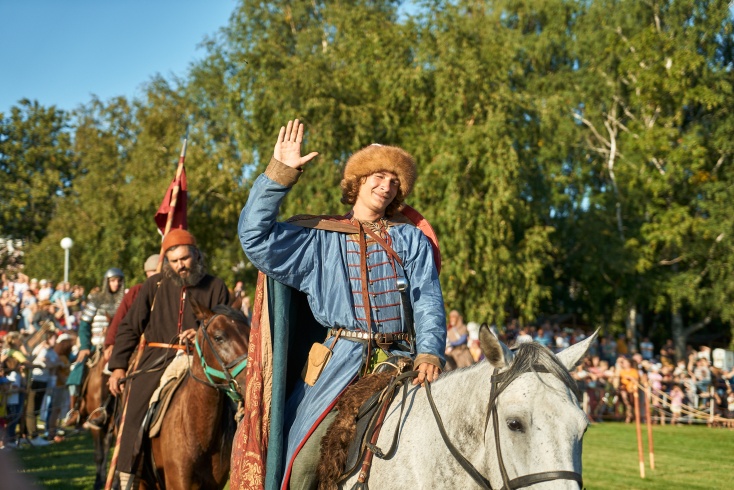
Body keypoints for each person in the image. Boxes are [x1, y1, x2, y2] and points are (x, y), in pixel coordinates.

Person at [237, 119, 446, 489]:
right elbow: (255, 238)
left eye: (395, 181)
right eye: (378, 176)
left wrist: (429, 352)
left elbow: (426, 297)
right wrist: (280, 173)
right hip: (337, 364)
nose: (386, 186)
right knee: (301, 465)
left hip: (401, 359)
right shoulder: (318, 239)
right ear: (358, 181)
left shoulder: (410, 240)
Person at [107, 229, 229, 488]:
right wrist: (118, 367)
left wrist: (198, 333)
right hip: (157, 360)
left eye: (184, 259)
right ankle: (128, 474)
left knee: (232, 410)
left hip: (201, 360)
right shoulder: (154, 285)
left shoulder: (215, 286)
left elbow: (224, 328)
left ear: (196, 255)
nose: (180, 265)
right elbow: (130, 326)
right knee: (135, 408)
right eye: (174, 261)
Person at [65, 268, 125, 420]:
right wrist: (84, 347)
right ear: (107, 282)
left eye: (119, 280)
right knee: (76, 371)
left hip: (119, 346)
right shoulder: (96, 300)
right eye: (112, 280)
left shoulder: (125, 301)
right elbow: (84, 325)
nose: (116, 284)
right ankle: (75, 410)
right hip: (96, 346)